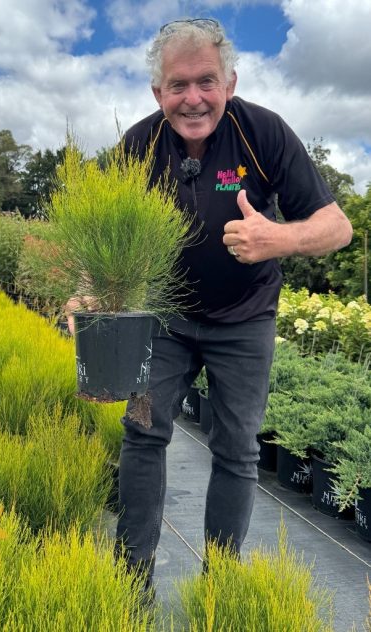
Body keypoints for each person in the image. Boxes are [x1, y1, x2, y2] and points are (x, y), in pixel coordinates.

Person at [68, 18, 352, 591]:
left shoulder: (263, 133)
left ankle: (220, 581)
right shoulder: (138, 147)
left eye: (206, 82)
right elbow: (101, 233)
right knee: (143, 432)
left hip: (246, 320)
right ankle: (131, 579)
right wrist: (90, 285)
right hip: (164, 324)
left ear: (230, 82)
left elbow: (337, 226)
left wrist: (282, 238)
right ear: (158, 94)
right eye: (178, 85)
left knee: (237, 449)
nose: (193, 98)